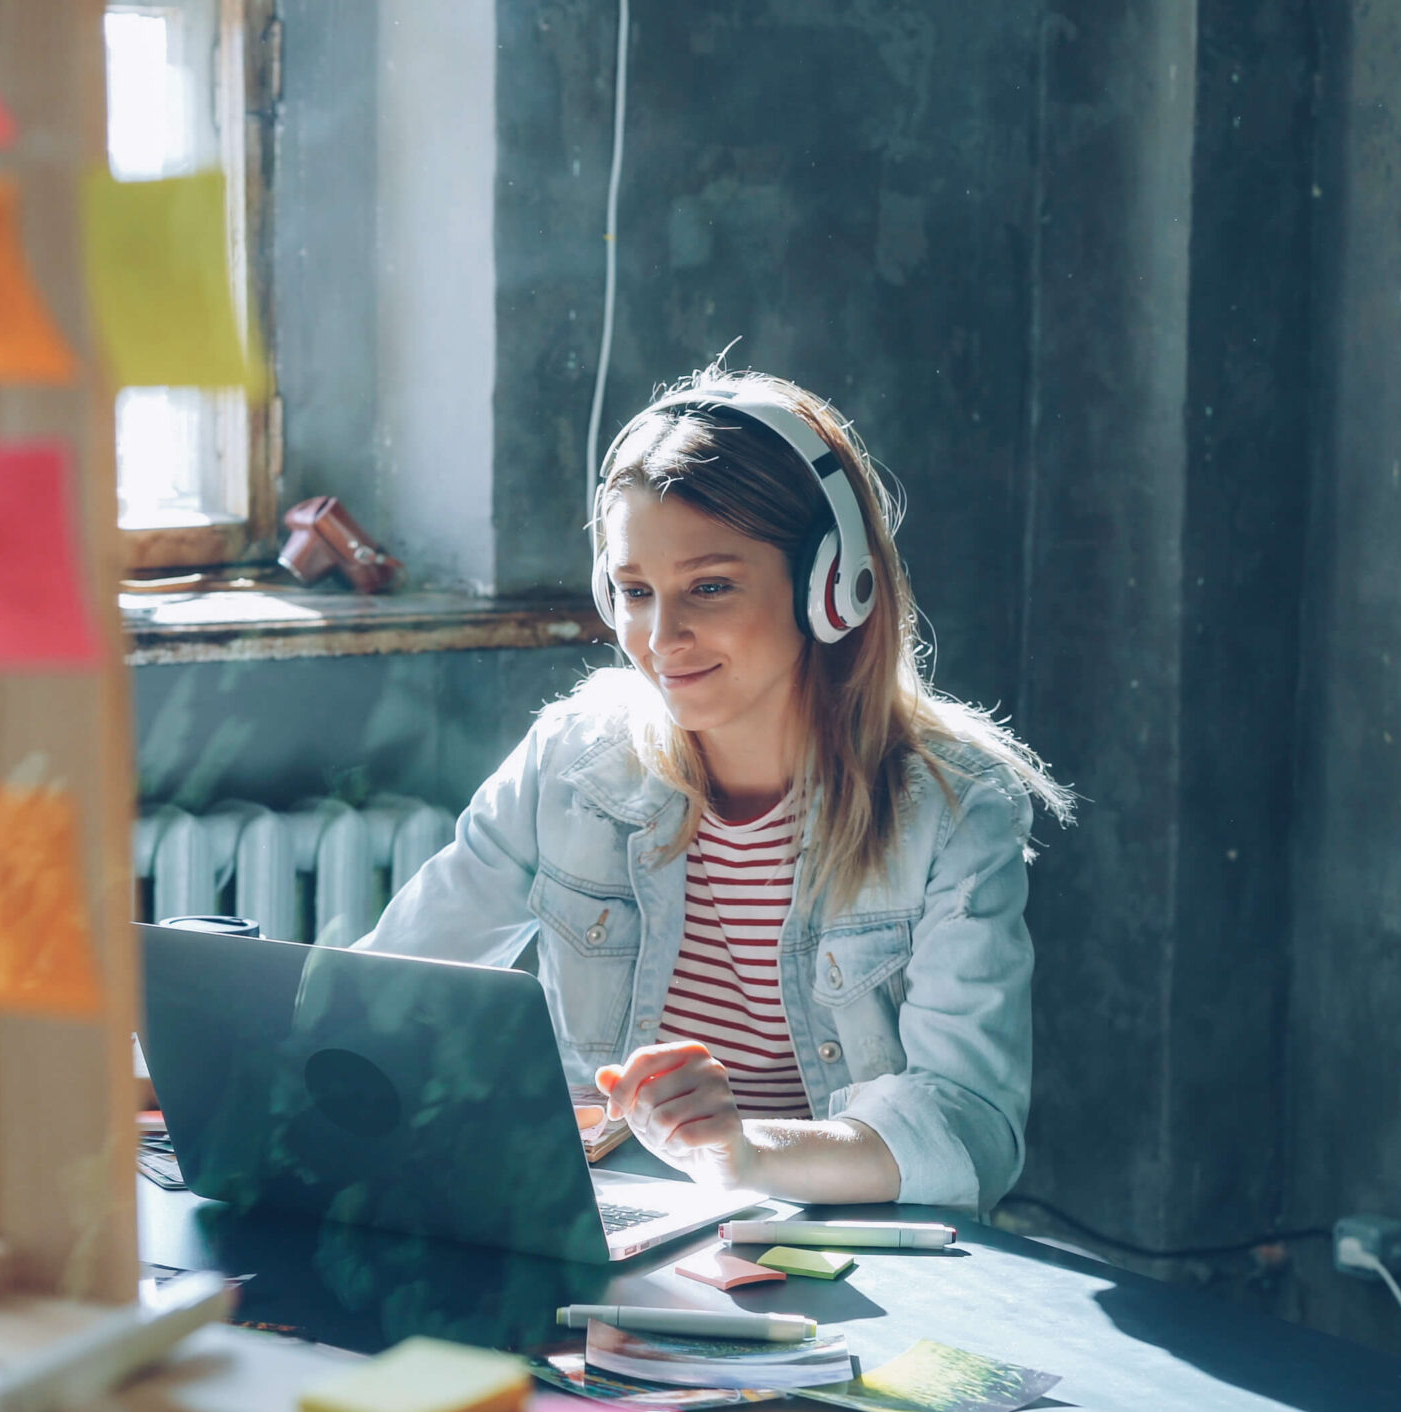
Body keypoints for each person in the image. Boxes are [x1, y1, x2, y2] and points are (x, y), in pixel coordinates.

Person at [357, 366, 1070, 1212]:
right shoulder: (571, 761)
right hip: (606, 1232)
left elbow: (972, 1128)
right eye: (633, 592)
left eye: (710, 587)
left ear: (833, 587)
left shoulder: (956, 812)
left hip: (838, 1264)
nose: (662, 638)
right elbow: (389, 984)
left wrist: (744, 1150)